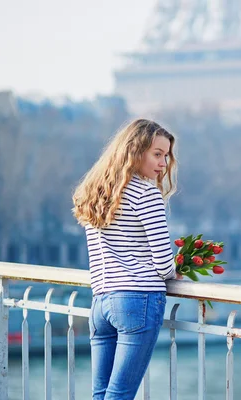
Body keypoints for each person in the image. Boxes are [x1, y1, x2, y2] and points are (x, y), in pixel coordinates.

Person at [72, 118, 179, 399]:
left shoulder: (99, 192)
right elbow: (163, 262)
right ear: (135, 150)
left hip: (101, 302)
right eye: (157, 154)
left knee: (101, 394)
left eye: (166, 156)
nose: (163, 163)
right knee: (120, 395)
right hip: (137, 300)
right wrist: (175, 271)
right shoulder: (146, 194)